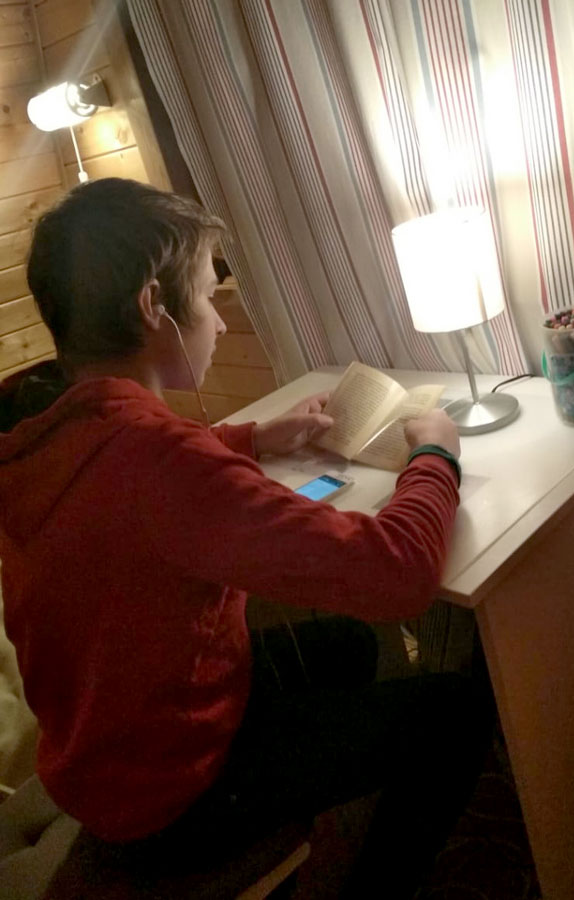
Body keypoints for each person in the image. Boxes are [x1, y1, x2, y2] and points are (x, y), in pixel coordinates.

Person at [0, 178, 493, 897]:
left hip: (101, 756)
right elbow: (400, 574)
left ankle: (327, 817)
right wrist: (436, 455)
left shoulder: (40, 433)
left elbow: (129, 476)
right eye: (208, 296)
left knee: (348, 645)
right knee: (454, 713)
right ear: (154, 306)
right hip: (172, 799)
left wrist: (253, 438)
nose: (220, 325)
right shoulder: (163, 462)